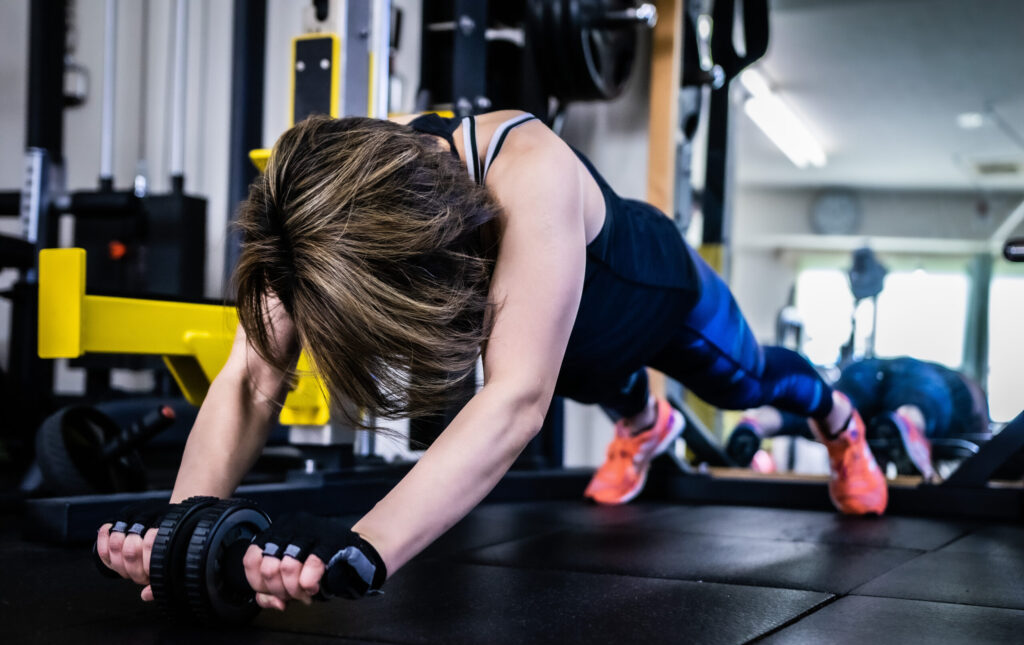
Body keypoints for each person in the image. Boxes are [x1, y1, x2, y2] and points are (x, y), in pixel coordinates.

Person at [94, 111, 886, 612]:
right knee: (594, 378)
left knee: (743, 381)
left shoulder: (528, 169)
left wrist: (360, 546)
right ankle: (645, 425)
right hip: (567, 350)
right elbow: (250, 377)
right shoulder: (311, 213)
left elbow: (512, 401)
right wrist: (182, 537)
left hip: (657, 296)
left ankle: (839, 419)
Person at [727, 356, 990, 479]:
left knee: (832, 413)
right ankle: (908, 422)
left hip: (864, 368)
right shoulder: (963, 394)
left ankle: (757, 423)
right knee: (922, 403)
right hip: (928, 380)